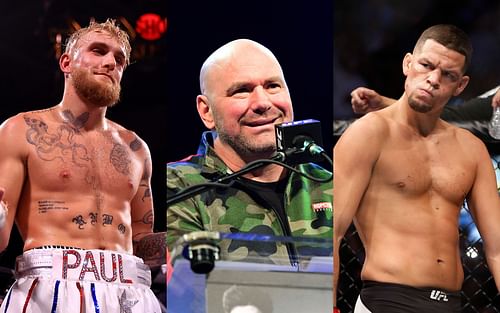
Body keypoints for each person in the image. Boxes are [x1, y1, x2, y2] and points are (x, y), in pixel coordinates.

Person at [334, 24, 500, 313]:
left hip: (451, 304)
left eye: (447, 74)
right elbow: (330, 233)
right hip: (386, 301)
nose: (433, 80)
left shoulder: (471, 149)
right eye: (426, 65)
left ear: (460, 85)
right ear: (407, 63)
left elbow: (498, 248)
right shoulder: (369, 134)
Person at [0, 19, 162, 312]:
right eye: (98, 51)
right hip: (49, 286)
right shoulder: (20, 130)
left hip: (131, 290)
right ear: (66, 62)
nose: (110, 63)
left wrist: (187, 242)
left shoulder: (135, 148)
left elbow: (141, 240)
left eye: (119, 59)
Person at [166, 39, 332, 263]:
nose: (262, 102)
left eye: (273, 86)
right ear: (207, 112)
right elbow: (191, 290)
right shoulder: (178, 188)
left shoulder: (328, 184)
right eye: (241, 91)